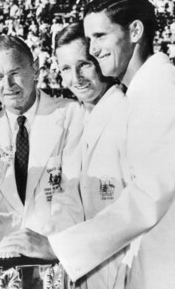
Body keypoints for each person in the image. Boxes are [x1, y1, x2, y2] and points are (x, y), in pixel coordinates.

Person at [0, 0, 175, 289]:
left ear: (135, 31)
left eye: (100, 36)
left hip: (171, 273)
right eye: (90, 39)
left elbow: (145, 199)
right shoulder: (150, 90)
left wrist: (58, 247)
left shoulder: (162, 90)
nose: (94, 48)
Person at [0, 35, 84, 242]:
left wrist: (51, 246)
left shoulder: (72, 115)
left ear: (35, 70)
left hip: (56, 253)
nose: (8, 85)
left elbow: (75, 196)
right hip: (3, 257)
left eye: (15, 73)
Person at [51, 22, 128, 289]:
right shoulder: (77, 118)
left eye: (84, 64)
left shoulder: (127, 113)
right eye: (66, 69)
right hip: (85, 272)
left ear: (100, 62)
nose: (76, 77)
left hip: (125, 271)